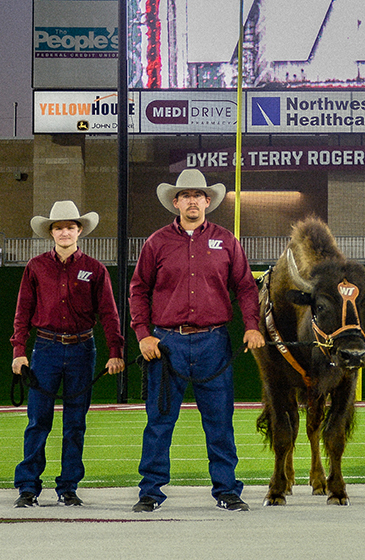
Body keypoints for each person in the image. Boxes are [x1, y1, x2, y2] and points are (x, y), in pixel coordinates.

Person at [129, 169, 264, 512]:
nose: (192, 200)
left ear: (208, 201)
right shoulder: (156, 242)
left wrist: (252, 325)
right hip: (166, 344)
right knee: (159, 422)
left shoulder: (227, 241)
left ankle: (227, 490)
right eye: (185, 195)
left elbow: (246, 287)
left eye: (198, 195)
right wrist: (143, 334)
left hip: (213, 341)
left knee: (219, 421)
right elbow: (138, 290)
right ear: (175, 202)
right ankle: (150, 492)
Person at [11, 201, 125, 508]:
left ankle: (68, 487)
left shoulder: (95, 269)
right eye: (59, 227)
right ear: (51, 232)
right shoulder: (35, 267)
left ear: (79, 231)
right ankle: (28, 487)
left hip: (82, 348)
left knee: (76, 422)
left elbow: (109, 313)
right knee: (38, 420)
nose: (64, 232)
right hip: (45, 348)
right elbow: (23, 311)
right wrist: (18, 350)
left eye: (70, 227)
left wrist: (116, 350)